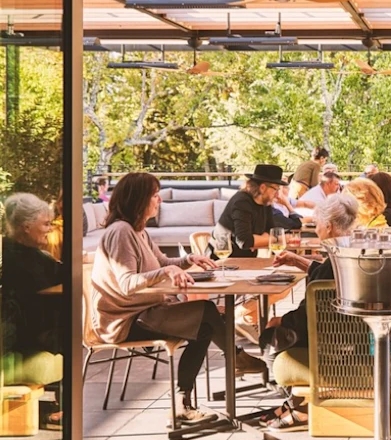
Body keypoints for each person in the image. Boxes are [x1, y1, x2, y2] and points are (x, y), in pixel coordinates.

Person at [89, 173, 265, 425]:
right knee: (205, 311)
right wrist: (165, 272)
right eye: (154, 195)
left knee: (204, 325)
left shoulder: (139, 232)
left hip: (147, 310)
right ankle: (234, 357)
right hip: (124, 320)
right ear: (138, 200)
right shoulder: (120, 232)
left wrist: (187, 260)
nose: (159, 200)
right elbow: (127, 283)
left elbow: (162, 262)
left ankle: (182, 401)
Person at [258, 193, 359, 431]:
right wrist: (298, 261)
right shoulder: (347, 251)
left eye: (317, 225)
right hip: (346, 333)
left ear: (329, 226)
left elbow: (309, 314)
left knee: (269, 337)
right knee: (278, 324)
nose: (316, 229)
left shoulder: (333, 260)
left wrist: (280, 320)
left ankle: (300, 406)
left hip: (330, 340)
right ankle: (294, 402)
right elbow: (325, 275)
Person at [2, 193, 64, 427]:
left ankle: (63, 405)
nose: (50, 229)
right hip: (25, 334)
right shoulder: (15, 257)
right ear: (27, 227)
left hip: (35, 326)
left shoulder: (33, 254)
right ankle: (64, 407)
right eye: (46, 224)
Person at [211, 164, 284, 258]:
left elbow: (270, 230)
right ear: (262, 188)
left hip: (247, 259)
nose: (277, 195)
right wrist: (278, 239)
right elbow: (244, 241)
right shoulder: (241, 202)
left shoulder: (266, 203)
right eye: (276, 189)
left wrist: (258, 241)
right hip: (223, 260)